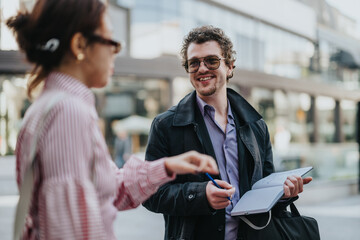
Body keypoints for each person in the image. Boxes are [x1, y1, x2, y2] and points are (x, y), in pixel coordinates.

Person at [8, 1, 219, 239]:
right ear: (79, 45)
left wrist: (168, 166)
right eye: (111, 42)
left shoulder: (53, 105)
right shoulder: (68, 112)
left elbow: (108, 189)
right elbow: (70, 231)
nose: (115, 52)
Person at [143, 26, 312, 240]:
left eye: (211, 60)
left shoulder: (256, 125)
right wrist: (200, 195)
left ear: (230, 66)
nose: (202, 68)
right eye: (194, 63)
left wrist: (284, 193)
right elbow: (150, 194)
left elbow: (264, 186)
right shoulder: (166, 125)